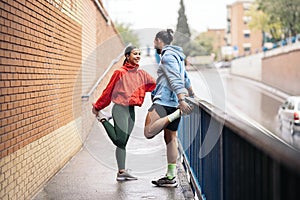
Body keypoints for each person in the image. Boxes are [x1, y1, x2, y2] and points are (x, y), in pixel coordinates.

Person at [92, 46, 156, 181]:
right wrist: (98, 106)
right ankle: (103, 119)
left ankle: (121, 172)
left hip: (131, 111)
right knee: (120, 140)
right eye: (135, 54)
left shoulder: (141, 74)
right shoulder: (119, 73)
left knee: (123, 142)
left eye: (139, 54)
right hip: (120, 109)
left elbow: (155, 85)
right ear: (127, 56)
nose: (138, 56)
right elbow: (108, 91)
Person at [144, 29, 195, 187]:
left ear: (159, 40)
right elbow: (184, 77)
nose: (154, 44)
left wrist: (181, 100)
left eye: (155, 41)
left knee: (148, 131)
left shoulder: (166, 56)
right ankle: (170, 177)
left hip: (165, 102)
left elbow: (174, 78)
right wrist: (192, 95)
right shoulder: (178, 57)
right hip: (173, 104)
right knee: (170, 138)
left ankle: (176, 114)